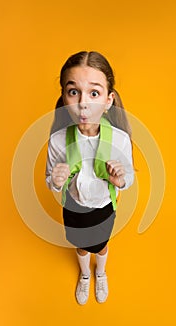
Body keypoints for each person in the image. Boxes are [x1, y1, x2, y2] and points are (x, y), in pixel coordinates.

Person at [45, 51, 134, 305]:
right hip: (73, 206)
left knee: (101, 245)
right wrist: (56, 180)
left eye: (94, 93)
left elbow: (128, 180)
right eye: (74, 91)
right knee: (81, 245)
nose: (83, 103)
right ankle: (85, 275)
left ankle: (101, 272)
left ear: (108, 100)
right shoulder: (58, 140)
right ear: (64, 97)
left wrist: (120, 180)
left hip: (103, 206)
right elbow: (49, 180)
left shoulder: (119, 139)